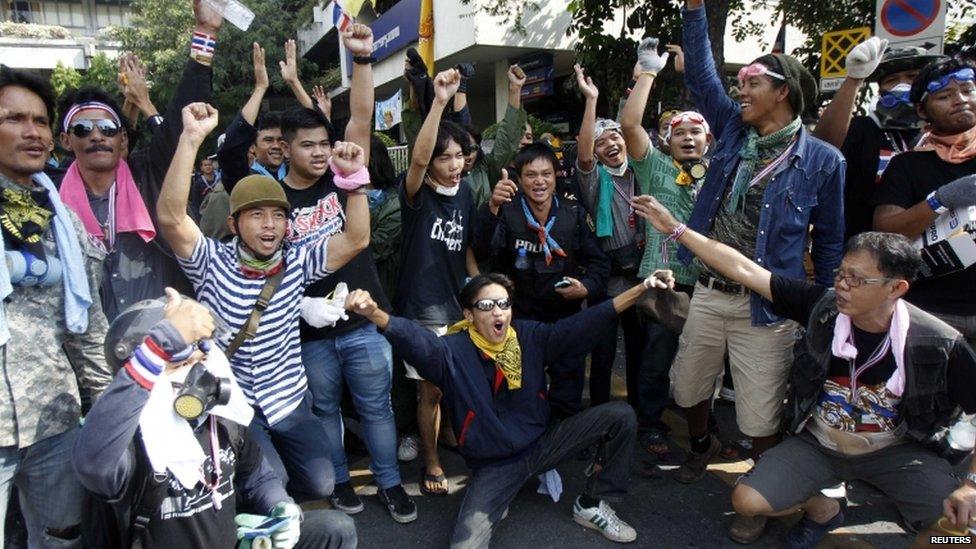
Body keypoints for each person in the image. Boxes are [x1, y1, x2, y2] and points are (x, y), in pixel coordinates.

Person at [633, 194, 976, 548]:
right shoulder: (823, 307)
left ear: (897, 288)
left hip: (896, 452)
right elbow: (745, 270)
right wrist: (675, 229)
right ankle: (824, 509)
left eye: (857, 279)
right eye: (841, 273)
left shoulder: (938, 342)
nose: (842, 284)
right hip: (818, 444)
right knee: (746, 501)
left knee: (958, 535)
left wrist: (971, 486)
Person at [345, 271, 678, 547]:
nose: (497, 312)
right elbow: (416, 341)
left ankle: (591, 504)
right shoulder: (450, 351)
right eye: (486, 305)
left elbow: (580, 326)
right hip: (496, 465)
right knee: (465, 544)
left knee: (620, 415)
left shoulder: (529, 337)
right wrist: (375, 313)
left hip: (543, 445)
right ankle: (498, 497)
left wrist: (640, 289)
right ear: (469, 315)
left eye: (503, 304)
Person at [673, 4, 845, 529]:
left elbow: (832, 243)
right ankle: (702, 444)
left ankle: (764, 500)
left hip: (766, 311)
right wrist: (695, 11)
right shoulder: (729, 132)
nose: (739, 90)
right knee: (687, 390)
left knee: (760, 417)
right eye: (740, 81)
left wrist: (829, 308)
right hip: (706, 291)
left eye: (751, 81)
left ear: (784, 91)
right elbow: (702, 75)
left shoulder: (822, 161)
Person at [155, 102, 369, 507]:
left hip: (289, 398)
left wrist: (354, 182)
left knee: (322, 485)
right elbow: (170, 218)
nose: (269, 225)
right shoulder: (210, 261)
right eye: (256, 215)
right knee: (272, 490)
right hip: (235, 405)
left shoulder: (296, 263)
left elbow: (355, 239)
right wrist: (190, 139)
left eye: (277, 216)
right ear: (235, 224)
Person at [73, 290, 358, 548]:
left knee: (334, 529)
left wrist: (279, 507)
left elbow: (256, 477)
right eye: (181, 363)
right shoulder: (128, 440)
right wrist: (160, 346)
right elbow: (92, 462)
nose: (197, 376)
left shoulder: (221, 419)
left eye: (200, 360)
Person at [51, 0, 222, 321]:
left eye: (108, 128)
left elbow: (179, 122)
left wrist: (206, 33)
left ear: (122, 138)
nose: (97, 136)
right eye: (83, 128)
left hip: (166, 338)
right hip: (93, 345)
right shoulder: (50, 196)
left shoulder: (148, 174)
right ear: (65, 140)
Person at [0, 64, 112, 547]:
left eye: (41, 121)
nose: (32, 132)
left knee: (62, 540)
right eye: (14, 119)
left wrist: (112, 409)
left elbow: (87, 328)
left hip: (55, 421)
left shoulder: (63, 219)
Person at [619, 37, 711, 457]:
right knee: (656, 358)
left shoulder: (720, 174)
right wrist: (649, 71)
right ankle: (650, 423)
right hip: (662, 282)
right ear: (668, 141)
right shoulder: (656, 168)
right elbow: (630, 127)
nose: (688, 139)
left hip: (709, 283)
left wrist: (696, 72)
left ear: (708, 140)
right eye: (680, 133)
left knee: (703, 362)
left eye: (696, 132)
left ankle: (699, 425)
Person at [475, 142, 609, 418]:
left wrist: (586, 288)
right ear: (520, 179)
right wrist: (492, 207)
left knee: (567, 392)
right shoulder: (506, 212)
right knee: (520, 389)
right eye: (531, 175)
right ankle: (526, 445)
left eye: (546, 174)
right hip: (521, 317)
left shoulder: (574, 214)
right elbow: (482, 251)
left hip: (565, 315)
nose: (539, 182)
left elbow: (599, 263)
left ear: (556, 177)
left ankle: (567, 442)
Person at [395, 68, 479, 498]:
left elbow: (462, 249)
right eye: (444, 158)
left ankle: (447, 434)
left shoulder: (465, 194)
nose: (452, 165)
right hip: (422, 311)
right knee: (430, 390)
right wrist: (440, 101)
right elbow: (419, 160)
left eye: (459, 157)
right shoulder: (416, 193)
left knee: (450, 385)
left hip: (455, 307)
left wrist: (482, 291)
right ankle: (431, 461)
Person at [872, 57, 976, 349]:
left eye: (968, 90)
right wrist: (939, 200)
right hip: (931, 310)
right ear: (922, 109)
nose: (959, 100)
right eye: (944, 96)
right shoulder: (907, 165)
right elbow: (886, 233)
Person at [574, 64, 649, 423]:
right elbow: (584, 154)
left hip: (642, 276)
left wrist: (637, 81)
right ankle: (601, 419)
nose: (610, 145)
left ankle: (638, 415)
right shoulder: (594, 180)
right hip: (608, 280)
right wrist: (592, 101)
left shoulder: (644, 172)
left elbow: (634, 125)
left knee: (640, 350)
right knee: (603, 355)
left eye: (615, 137)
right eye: (602, 142)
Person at [813, 37, 945, 240]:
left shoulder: (945, 134)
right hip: (861, 252)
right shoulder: (863, 129)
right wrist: (854, 79)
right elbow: (820, 151)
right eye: (892, 80)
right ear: (881, 89)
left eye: (912, 77)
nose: (903, 86)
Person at [190, 156, 221, 221]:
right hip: (204, 214)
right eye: (205, 165)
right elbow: (195, 203)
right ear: (201, 168)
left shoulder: (219, 180)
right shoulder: (198, 184)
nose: (208, 167)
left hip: (219, 212)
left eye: (210, 164)